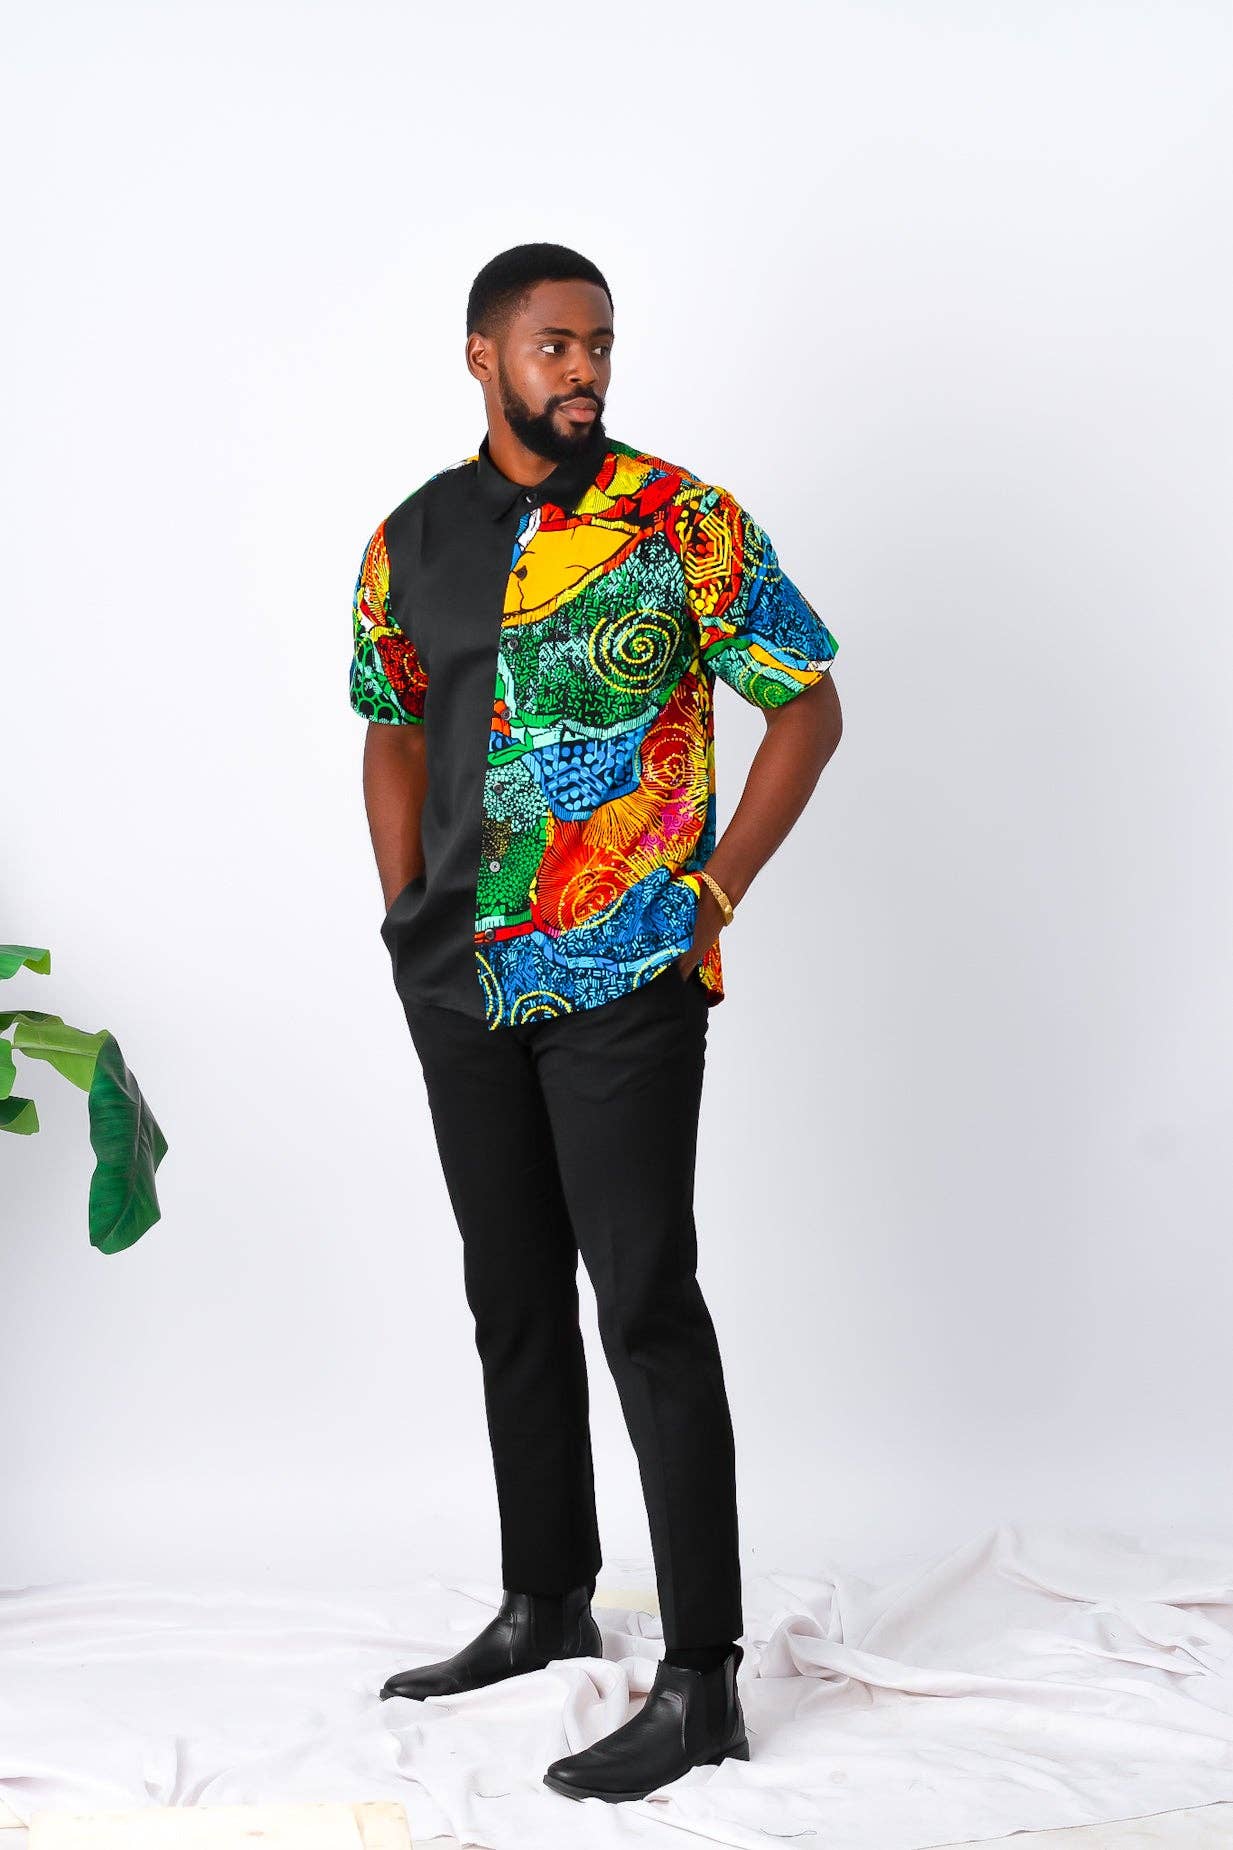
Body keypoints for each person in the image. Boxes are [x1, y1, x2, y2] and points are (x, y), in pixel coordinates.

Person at [349, 241, 842, 1804]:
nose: (585, 371)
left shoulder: (680, 521)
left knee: (642, 1300)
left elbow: (806, 700)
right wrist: (405, 910)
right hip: (459, 978)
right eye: (555, 344)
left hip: (625, 970)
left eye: (600, 345)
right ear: (483, 356)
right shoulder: (408, 538)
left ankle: (700, 1677)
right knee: (509, 1291)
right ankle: (545, 1596)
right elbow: (390, 726)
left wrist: (713, 889)